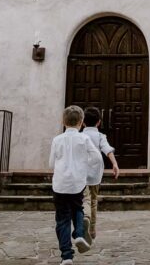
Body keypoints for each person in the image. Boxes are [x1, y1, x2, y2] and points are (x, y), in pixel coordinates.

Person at [49, 105, 103, 265]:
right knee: (78, 209)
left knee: (62, 220)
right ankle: (79, 233)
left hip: (60, 185)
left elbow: (51, 162)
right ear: (81, 122)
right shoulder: (84, 139)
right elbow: (97, 158)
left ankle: (66, 255)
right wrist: (85, 167)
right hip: (77, 183)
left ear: (63, 122)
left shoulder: (57, 140)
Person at [82, 106, 120, 240]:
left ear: (82, 122)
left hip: (81, 173)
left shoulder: (80, 136)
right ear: (99, 122)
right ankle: (92, 229)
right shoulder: (100, 136)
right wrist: (114, 164)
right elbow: (107, 150)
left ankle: (85, 218)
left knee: (83, 199)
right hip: (95, 174)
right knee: (93, 201)